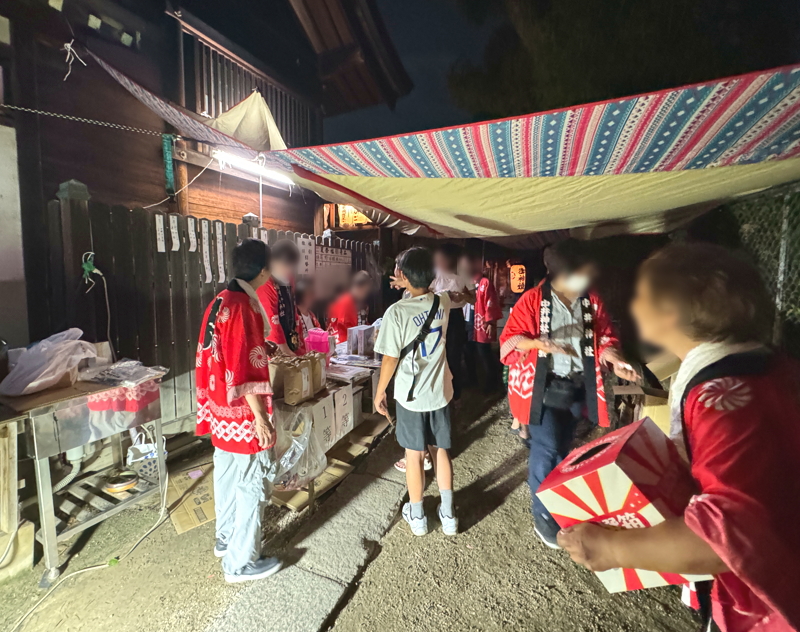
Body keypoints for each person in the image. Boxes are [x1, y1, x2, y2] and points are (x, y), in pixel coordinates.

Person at [559, 243, 800, 632]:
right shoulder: (771, 367)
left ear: (668, 314)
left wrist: (611, 548)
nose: (632, 305)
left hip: (770, 607)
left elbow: (721, 540)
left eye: (640, 295)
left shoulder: (722, 400)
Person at [499, 238, 638, 548]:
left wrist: (614, 359)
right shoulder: (533, 300)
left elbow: (604, 338)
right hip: (541, 387)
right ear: (555, 273)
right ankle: (543, 515)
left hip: (576, 385)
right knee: (546, 448)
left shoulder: (591, 301)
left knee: (564, 450)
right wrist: (538, 344)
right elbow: (509, 341)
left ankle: (560, 503)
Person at [195, 238, 282, 583]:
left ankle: (226, 536)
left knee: (227, 473)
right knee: (251, 482)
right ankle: (240, 563)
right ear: (264, 270)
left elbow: (215, 357)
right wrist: (260, 417)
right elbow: (241, 370)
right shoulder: (244, 305)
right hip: (242, 413)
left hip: (218, 408)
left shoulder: (220, 300)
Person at [374, 247, 457, 536]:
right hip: (439, 392)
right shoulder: (442, 302)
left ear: (404, 275)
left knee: (413, 455)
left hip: (410, 396)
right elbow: (439, 295)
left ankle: (418, 515)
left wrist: (379, 392)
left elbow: (389, 359)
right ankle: (448, 515)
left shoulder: (396, 312)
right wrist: (409, 283)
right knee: (440, 451)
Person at [431, 244, 475, 402]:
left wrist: (462, 296)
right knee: (436, 353)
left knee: (454, 354)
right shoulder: (434, 275)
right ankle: (438, 390)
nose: (440, 262)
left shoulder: (461, 275)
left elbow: (474, 299)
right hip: (437, 316)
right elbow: (425, 295)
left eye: (443, 259)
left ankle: (454, 392)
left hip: (455, 316)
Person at [463, 254, 504, 392]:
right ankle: (472, 379)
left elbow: (490, 302)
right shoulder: (466, 281)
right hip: (468, 320)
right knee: (468, 351)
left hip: (481, 322)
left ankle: (492, 383)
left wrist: (490, 321)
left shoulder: (485, 282)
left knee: (484, 352)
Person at [257, 239, 303, 356]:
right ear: (274, 261)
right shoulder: (266, 282)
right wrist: (284, 350)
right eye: (286, 266)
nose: (289, 270)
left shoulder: (289, 277)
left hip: (289, 333)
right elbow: (271, 319)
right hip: (274, 344)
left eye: (292, 267)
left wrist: (298, 339)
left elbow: (293, 307)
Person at [328, 270, 372, 344]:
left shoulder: (361, 303)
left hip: (356, 343)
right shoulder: (345, 303)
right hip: (342, 344)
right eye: (365, 291)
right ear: (359, 288)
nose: (366, 294)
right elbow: (344, 330)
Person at [296, 279, 321, 343]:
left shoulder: (311, 314)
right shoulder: (294, 316)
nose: (313, 297)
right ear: (300, 295)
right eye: (310, 293)